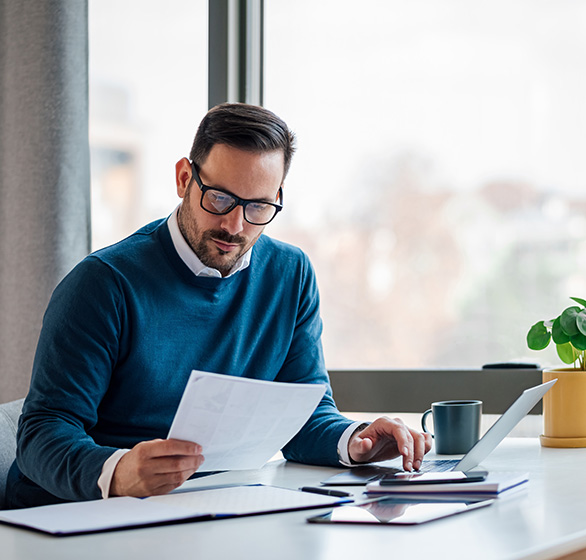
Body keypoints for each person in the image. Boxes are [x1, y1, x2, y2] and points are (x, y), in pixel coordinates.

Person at [6, 103, 431, 508]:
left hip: (204, 507)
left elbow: (305, 414)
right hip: (71, 516)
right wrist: (118, 471)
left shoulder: (291, 275)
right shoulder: (102, 284)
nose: (235, 225)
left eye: (258, 206)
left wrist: (357, 440)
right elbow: (42, 435)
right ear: (183, 178)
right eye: (221, 199)